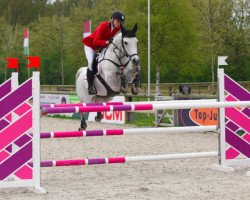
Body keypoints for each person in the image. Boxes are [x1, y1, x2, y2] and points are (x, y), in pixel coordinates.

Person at [82, 11, 125, 95]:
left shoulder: (118, 28)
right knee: (91, 62)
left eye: (121, 22)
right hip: (90, 45)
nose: (119, 23)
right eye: (118, 21)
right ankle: (90, 86)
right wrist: (106, 42)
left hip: (101, 47)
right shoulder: (103, 25)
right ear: (112, 19)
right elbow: (95, 41)